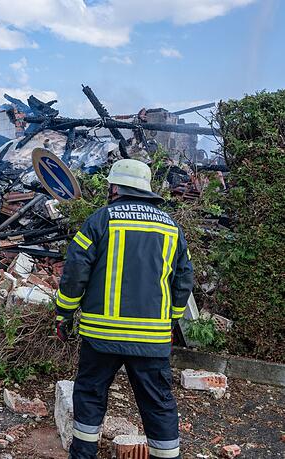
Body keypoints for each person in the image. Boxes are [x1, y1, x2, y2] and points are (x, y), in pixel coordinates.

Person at [55, 159, 194, 459]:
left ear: (115, 187)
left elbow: (75, 271)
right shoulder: (171, 227)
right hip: (151, 341)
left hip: (101, 337)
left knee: (90, 396)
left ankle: (83, 456)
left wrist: (64, 313)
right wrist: (172, 321)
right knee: (158, 404)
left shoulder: (100, 220)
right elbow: (183, 280)